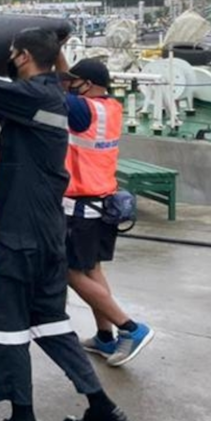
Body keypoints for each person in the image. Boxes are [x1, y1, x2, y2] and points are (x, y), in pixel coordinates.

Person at [0, 0, 129, 421]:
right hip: (50, 231)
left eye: (13, 55)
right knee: (50, 321)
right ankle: (100, 405)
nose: (9, 60)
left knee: (4, 324)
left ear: (24, 57)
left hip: (22, 235)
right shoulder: (55, 99)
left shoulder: (32, 98)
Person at [61, 58, 155, 366]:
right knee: (93, 270)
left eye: (75, 81)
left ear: (86, 84)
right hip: (103, 202)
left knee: (70, 272)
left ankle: (130, 328)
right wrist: (60, 49)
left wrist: (52, 58)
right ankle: (105, 337)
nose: (70, 84)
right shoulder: (109, 107)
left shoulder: (82, 110)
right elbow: (69, 82)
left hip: (82, 207)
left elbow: (53, 86)